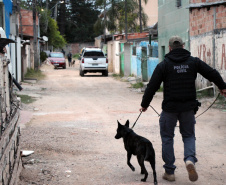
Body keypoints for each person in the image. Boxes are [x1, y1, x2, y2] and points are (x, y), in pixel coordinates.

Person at [140, 36, 226, 182]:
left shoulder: (164, 65)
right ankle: (189, 160)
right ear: (183, 46)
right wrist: (223, 86)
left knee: (167, 138)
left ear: (169, 48)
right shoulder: (193, 62)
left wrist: (145, 104)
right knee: (188, 136)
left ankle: (170, 172)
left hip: (169, 109)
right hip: (188, 108)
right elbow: (212, 73)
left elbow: (152, 86)